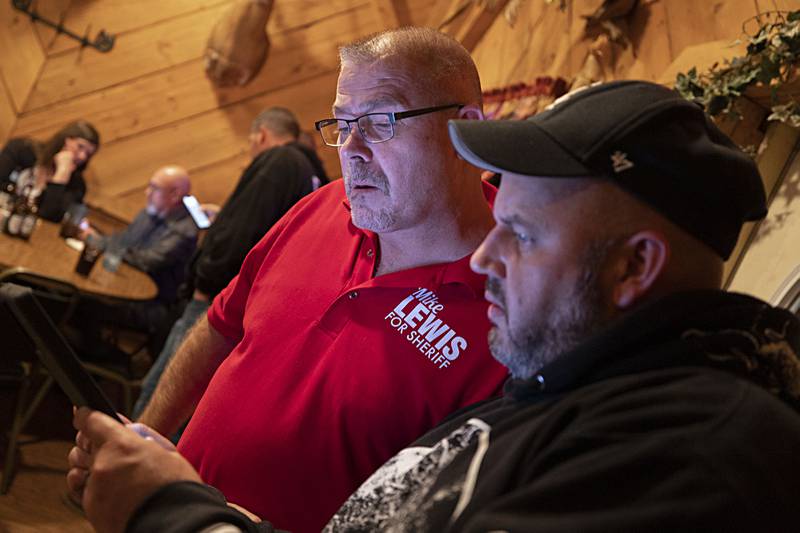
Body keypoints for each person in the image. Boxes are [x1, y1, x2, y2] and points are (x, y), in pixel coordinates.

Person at [69, 80, 800, 533]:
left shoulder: (698, 453)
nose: (484, 256)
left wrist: (173, 516)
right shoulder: (559, 384)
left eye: (519, 232)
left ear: (634, 264)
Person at [130, 27, 507, 532]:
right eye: (342, 123)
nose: (351, 149)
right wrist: (141, 442)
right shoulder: (324, 205)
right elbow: (222, 325)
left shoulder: (516, 299)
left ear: (467, 130)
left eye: (379, 122)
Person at [132, 107, 326, 418]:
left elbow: (244, 231)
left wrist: (205, 283)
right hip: (256, 311)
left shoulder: (279, 161)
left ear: (261, 135)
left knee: (163, 397)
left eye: (251, 142)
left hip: (221, 299)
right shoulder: (312, 174)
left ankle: (121, 463)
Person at [77, 165, 198, 362]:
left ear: (175, 195)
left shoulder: (184, 231)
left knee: (84, 302)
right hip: (119, 286)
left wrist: (97, 242)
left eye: (154, 188)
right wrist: (95, 237)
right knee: (76, 296)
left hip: (148, 305)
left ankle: (90, 361)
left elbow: (146, 261)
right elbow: (122, 243)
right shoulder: (150, 212)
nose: (147, 192)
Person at [0, 120, 100, 222]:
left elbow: (48, 217)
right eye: (80, 147)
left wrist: (61, 175)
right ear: (66, 139)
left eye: (88, 154)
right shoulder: (22, 149)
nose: (82, 156)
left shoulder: (77, 186)